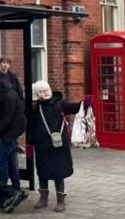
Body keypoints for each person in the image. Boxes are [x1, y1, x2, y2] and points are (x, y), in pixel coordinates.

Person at [27, 81, 83, 212]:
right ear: (37, 95)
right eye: (41, 91)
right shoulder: (36, 108)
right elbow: (31, 126)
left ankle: (60, 200)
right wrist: (30, 143)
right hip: (42, 146)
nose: (45, 93)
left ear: (50, 90)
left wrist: (84, 103)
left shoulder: (60, 104)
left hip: (58, 146)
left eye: (46, 90)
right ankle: (43, 198)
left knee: (59, 173)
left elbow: (75, 108)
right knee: (42, 173)